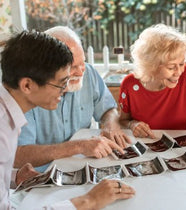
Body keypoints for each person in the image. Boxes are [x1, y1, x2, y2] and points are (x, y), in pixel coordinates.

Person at [0, 31, 135, 209]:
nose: (64, 92)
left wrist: (14, 177)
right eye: (61, 83)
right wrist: (87, 201)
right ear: (27, 85)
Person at [15, 26, 131, 173]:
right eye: (73, 66)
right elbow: (18, 155)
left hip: (85, 166)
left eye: (83, 62)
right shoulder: (30, 92)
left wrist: (110, 124)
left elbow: (108, 109)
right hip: (44, 175)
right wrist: (78, 146)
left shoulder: (88, 72)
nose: (81, 71)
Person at [119, 24, 186, 144]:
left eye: (181, 64)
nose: (179, 72)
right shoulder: (130, 85)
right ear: (152, 67)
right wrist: (132, 124)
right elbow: (123, 120)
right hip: (148, 146)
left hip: (185, 146)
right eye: (171, 67)